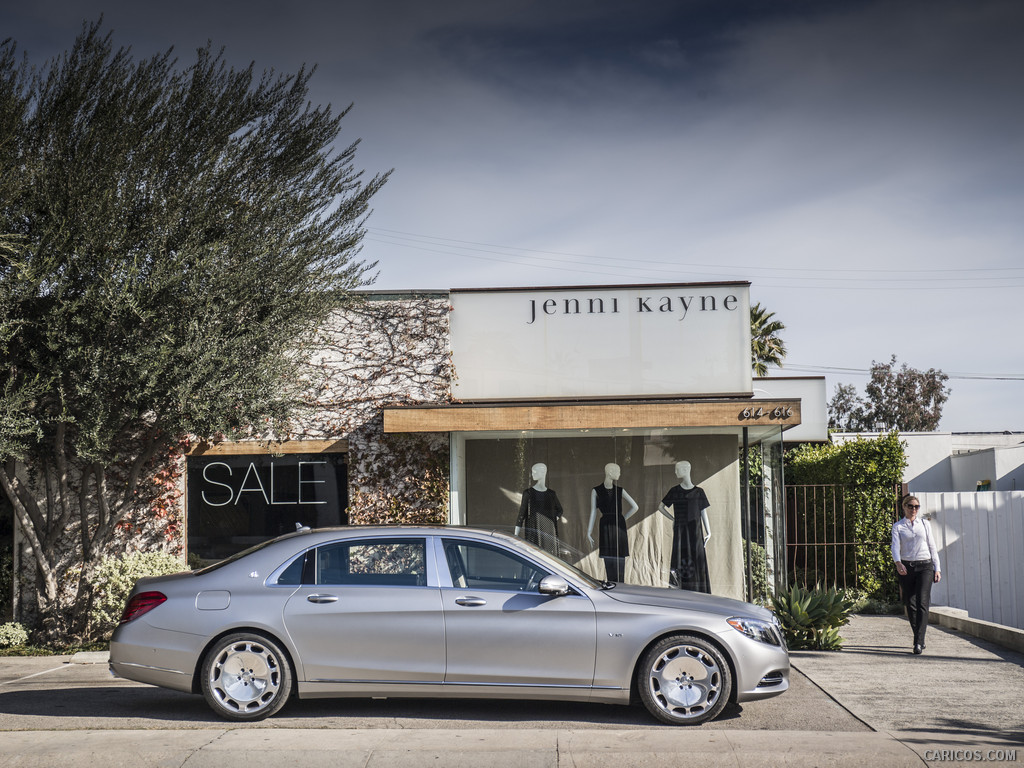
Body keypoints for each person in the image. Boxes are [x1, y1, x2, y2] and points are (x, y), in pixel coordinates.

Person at [891, 494, 941, 654]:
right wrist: (898, 563)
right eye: (910, 506)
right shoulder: (898, 526)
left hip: (925, 566)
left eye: (916, 507)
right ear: (904, 507)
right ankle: (919, 637)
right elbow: (895, 547)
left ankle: (918, 642)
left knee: (922, 603)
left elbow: (932, 546)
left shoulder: (924, 524)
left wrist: (937, 568)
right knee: (910, 603)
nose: (914, 509)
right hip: (906, 567)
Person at [658, 460, 712, 593]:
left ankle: (699, 593)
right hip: (681, 532)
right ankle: (679, 592)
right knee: (680, 559)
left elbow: (703, 512)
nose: (675, 472)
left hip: (696, 533)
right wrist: (673, 519)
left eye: (677, 469)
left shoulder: (699, 492)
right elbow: (661, 507)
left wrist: (709, 532)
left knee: (696, 560)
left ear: (686, 470)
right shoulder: (675, 491)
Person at [587, 463, 639, 582]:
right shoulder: (596, 491)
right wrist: (588, 531)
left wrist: (623, 518)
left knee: (619, 559)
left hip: (615, 524)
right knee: (609, 560)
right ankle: (612, 584)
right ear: (610, 472)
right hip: (608, 525)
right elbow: (593, 512)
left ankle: (621, 585)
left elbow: (635, 506)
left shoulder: (620, 490)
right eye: (618, 471)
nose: (620, 474)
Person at [515, 463, 564, 555]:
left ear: (543, 472)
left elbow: (560, 510)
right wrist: (515, 536)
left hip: (549, 535)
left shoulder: (551, 494)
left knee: (549, 558)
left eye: (534, 472)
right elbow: (521, 515)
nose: (532, 474)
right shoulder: (528, 493)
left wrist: (550, 520)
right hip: (533, 534)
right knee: (533, 558)